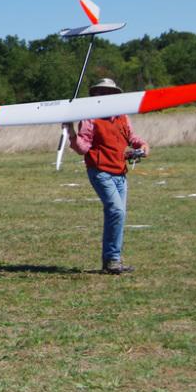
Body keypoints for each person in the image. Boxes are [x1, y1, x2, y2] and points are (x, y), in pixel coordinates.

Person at [64, 78, 150, 275]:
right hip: (100, 171)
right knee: (116, 211)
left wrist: (143, 145)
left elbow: (131, 137)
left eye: (108, 93)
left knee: (118, 214)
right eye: (100, 92)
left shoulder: (122, 116)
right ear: (95, 95)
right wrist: (71, 134)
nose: (104, 96)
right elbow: (83, 148)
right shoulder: (89, 118)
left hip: (120, 172)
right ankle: (112, 259)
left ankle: (113, 260)